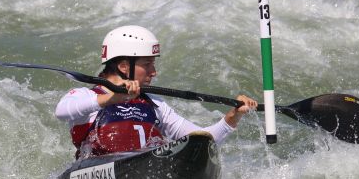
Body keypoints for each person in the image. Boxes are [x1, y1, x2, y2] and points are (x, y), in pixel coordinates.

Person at [55, 25, 258, 158]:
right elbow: (62, 111)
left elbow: (202, 139)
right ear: (125, 66)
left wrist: (233, 116)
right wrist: (113, 98)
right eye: (147, 64)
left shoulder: (154, 103)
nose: (154, 71)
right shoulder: (88, 96)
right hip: (99, 172)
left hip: (144, 168)